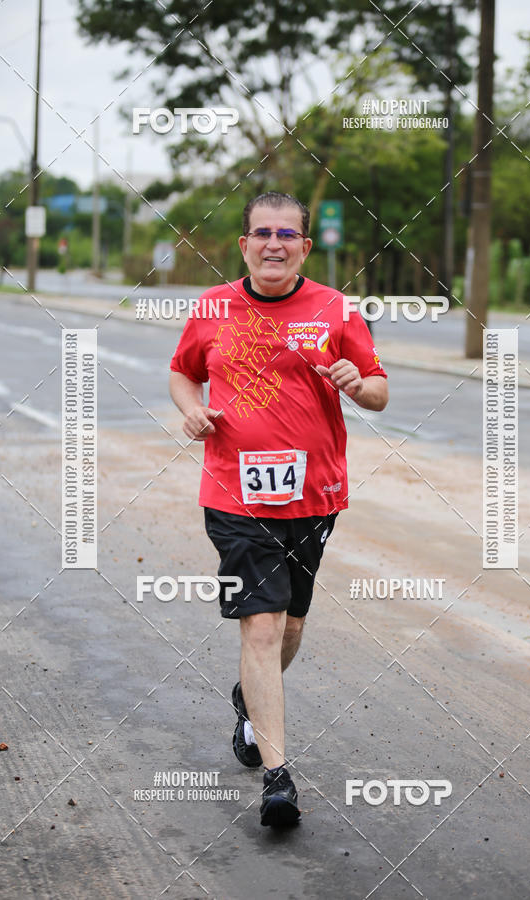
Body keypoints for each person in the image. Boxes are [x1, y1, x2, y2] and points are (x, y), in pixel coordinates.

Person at [170, 191, 388, 827]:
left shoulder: (335, 308)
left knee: (290, 627)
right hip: (234, 495)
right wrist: (191, 409)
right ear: (244, 245)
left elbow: (379, 389)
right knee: (261, 628)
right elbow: (183, 372)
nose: (274, 243)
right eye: (262, 233)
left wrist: (358, 384)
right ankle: (277, 778)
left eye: (286, 234)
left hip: (314, 496)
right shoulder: (212, 308)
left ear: (304, 247)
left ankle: (250, 697)